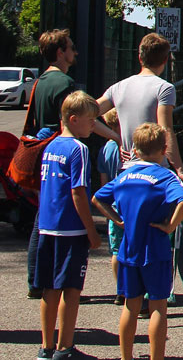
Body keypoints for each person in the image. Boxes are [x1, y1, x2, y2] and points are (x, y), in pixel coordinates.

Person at [97, 32, 183, 312]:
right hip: (157, 174)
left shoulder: (118, 87)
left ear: (139, 56)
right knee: (181, 233)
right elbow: (166, 129)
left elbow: (91, 111)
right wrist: (179, 168)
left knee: (132, 234)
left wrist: (113, 136)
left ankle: (132, 295)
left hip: (128, 172)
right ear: (166, 60)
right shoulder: (164, 88)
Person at [27, 29, 118, 299]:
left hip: (46, 151)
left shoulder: (40, 81)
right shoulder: (64, 83)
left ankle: (37, 280)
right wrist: (114, 135)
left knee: (42, 219)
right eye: (71, 47)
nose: (75, 52)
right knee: (64, 221)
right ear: (60, 52)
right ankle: (59, 282)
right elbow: (84, 116)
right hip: (63, 151)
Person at [92, 123, 183, 360]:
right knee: (158, 307)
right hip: (155, 249)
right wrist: (170, 226)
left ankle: (126, 356)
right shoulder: (165, 176)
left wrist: (117, 220)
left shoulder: (124, 176)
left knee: (130, 306)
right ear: (164, 149)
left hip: (128, 249)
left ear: (135, 150)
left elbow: (98, 198)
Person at [34, 91, 102, 360]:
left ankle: (45, 346)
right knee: (71, 289)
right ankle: (65, 347)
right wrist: (91, 229)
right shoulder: (79, 149)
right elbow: (78, 192)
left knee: (49, 288)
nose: (93, 125)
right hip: (71, 229)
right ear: (73, 120)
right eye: (90, 120)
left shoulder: (50, 146)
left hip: (47, 226)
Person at [96, 109, 124, 305]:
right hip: (126, 202)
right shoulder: (127, 147)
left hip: (111, 204)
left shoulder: (105, 149)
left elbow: (103, 180)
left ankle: (119, 289)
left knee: (115, 250)